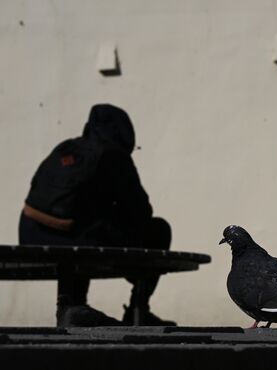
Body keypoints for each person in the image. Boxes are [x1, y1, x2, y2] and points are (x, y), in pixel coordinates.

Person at [19, 103, 176, 327]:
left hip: (30, 237)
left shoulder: (66, 148)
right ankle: (138, 309)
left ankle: (71, 305)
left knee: (84, 231)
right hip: (76, 243)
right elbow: (141, 212)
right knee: (158, 229)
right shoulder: (114, 156)